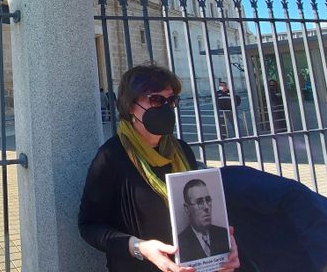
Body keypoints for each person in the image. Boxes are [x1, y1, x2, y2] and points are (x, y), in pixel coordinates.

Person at [78, 64, 239, 272]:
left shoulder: (181, 150)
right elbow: (89, 226)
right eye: (155, 99)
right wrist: (140, 248)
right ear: (129, 106)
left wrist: (223, 248)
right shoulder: (111, 157)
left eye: (171, 100)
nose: (165, 107)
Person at [176, 179, 230, 262]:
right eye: (199, 202)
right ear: (187, 209)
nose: (206, 207)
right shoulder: (180, 241)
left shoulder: (223, 234)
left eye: (208, 200)